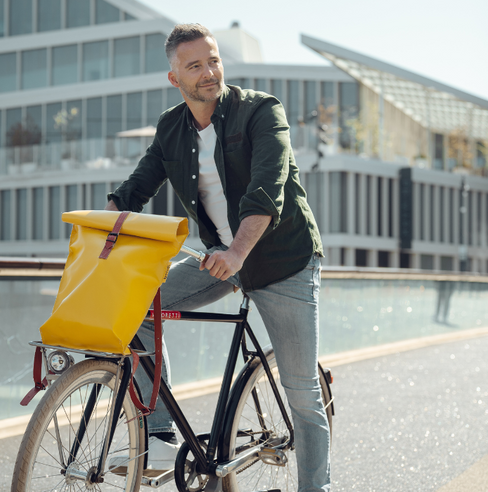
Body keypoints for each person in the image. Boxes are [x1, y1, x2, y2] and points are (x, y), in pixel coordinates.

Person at [106, 23, 330, 491]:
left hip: (281, 262)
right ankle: (161, 432)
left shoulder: (261, 112)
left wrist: (237, 252)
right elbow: (137, 187)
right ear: (175, 79)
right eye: (195, 66)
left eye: (213, 60)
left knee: (302, 393)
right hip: (221, 258)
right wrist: (104, 227)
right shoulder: (171, 127)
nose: (209, 72)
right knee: (141, 310)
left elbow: (267, 191)